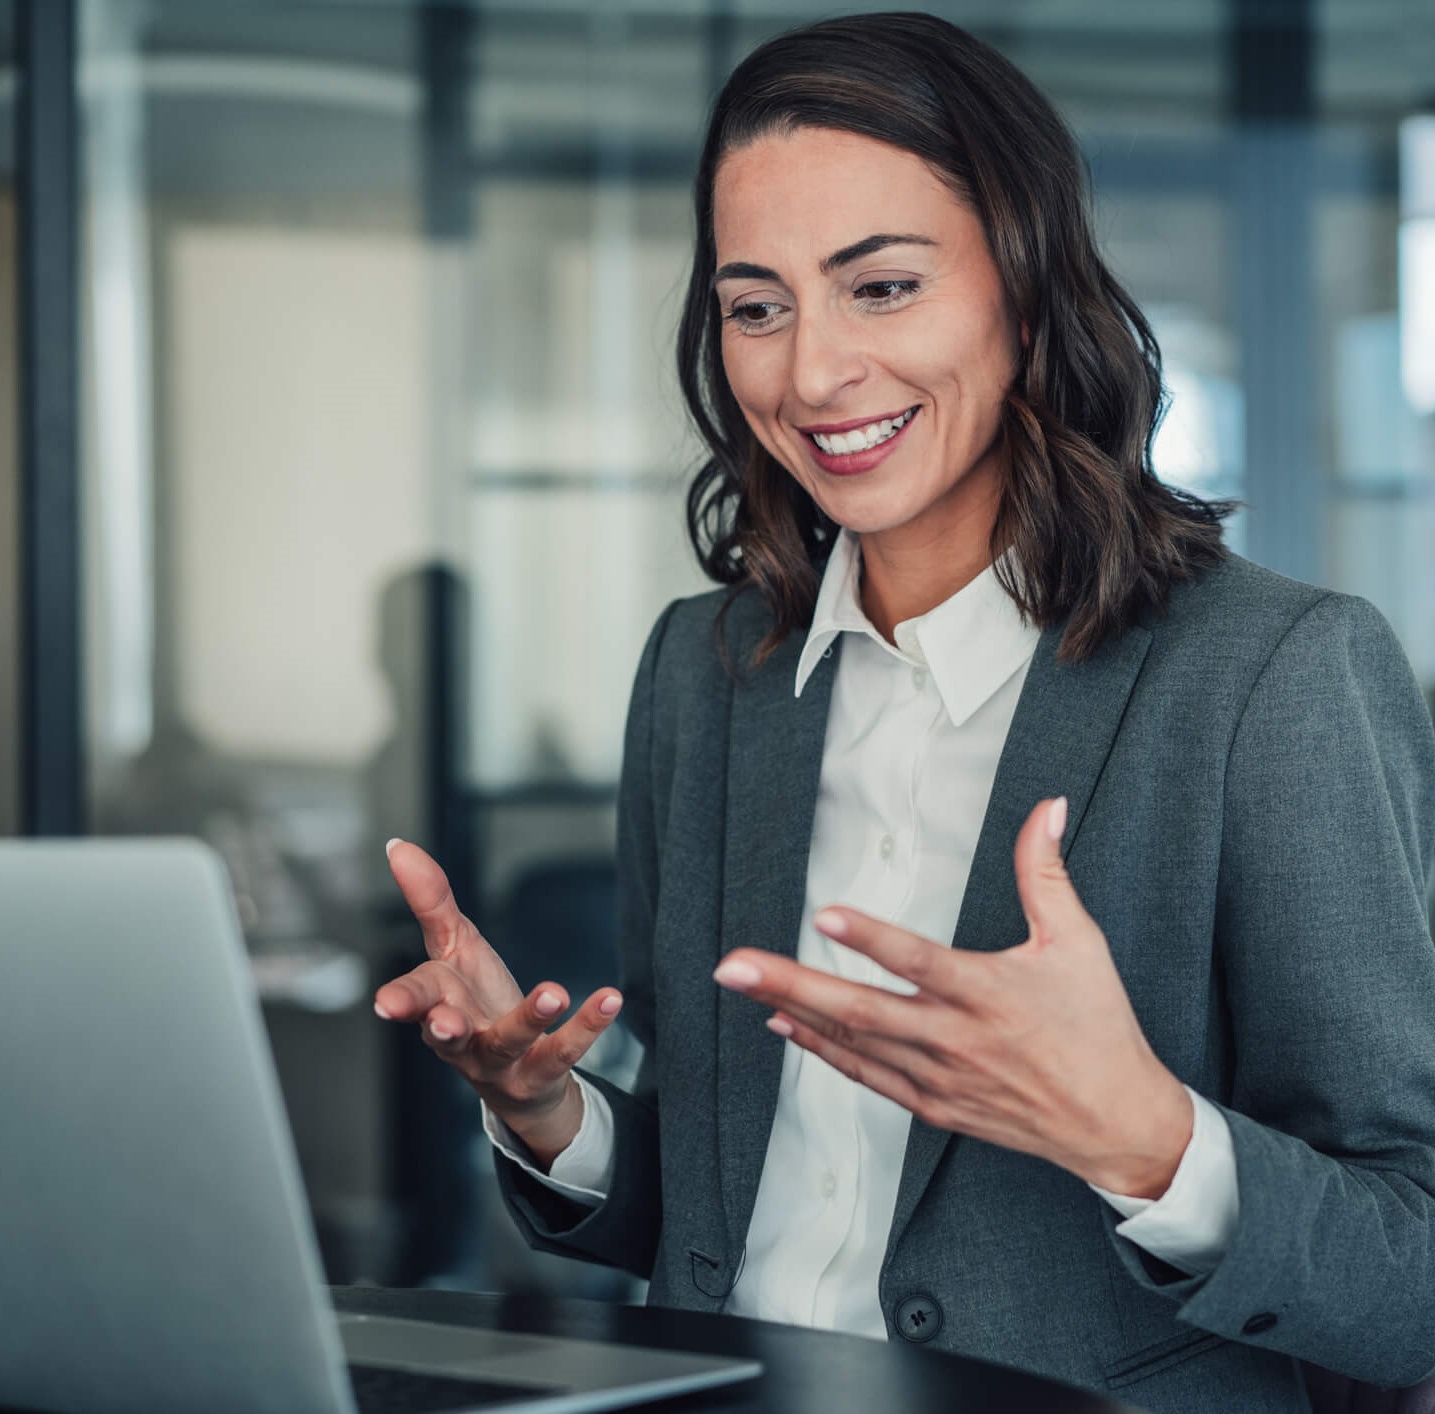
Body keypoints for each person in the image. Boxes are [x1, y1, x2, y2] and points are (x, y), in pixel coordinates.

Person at [372, 13, 1435, 1410]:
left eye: (878, 287)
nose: (809, 374)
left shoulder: (1271, 674)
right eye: (756, 306)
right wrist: (546, 1113)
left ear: (1024, 285)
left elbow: (1410, 1272)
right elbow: (723, 1210)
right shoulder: (703, 674)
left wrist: (1146, 1139)